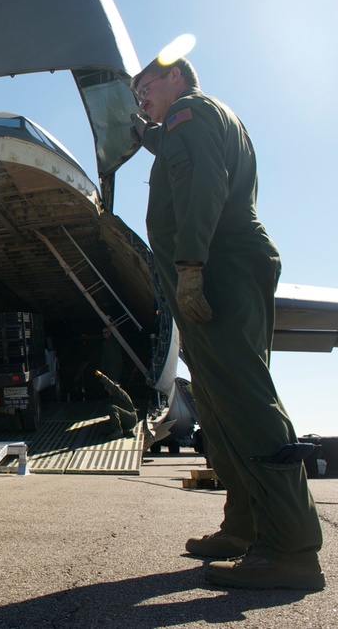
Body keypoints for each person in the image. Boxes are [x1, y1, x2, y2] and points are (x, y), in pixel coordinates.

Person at [130, 56, 325, 590]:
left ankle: (290, 548)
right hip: (221, 265)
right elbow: (181, 159)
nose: (140, 98)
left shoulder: (189, 113)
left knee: (242, 395)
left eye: (145, 87)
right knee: (215, 403)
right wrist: (145, 134)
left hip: (219, 265)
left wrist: (190, 265)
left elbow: (202, 187)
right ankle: (244, 526)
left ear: (176, 77)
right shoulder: (189, 124)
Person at [96, 370, 136, 438]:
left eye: (108, 389)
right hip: (124, 421)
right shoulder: (114, 398)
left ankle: (118, 431)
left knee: (111, 407)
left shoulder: (120, 392)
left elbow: (111, 385)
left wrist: (102, 376)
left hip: (130, 418)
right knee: (101, 426)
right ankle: (126, 431)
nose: (108, 391)